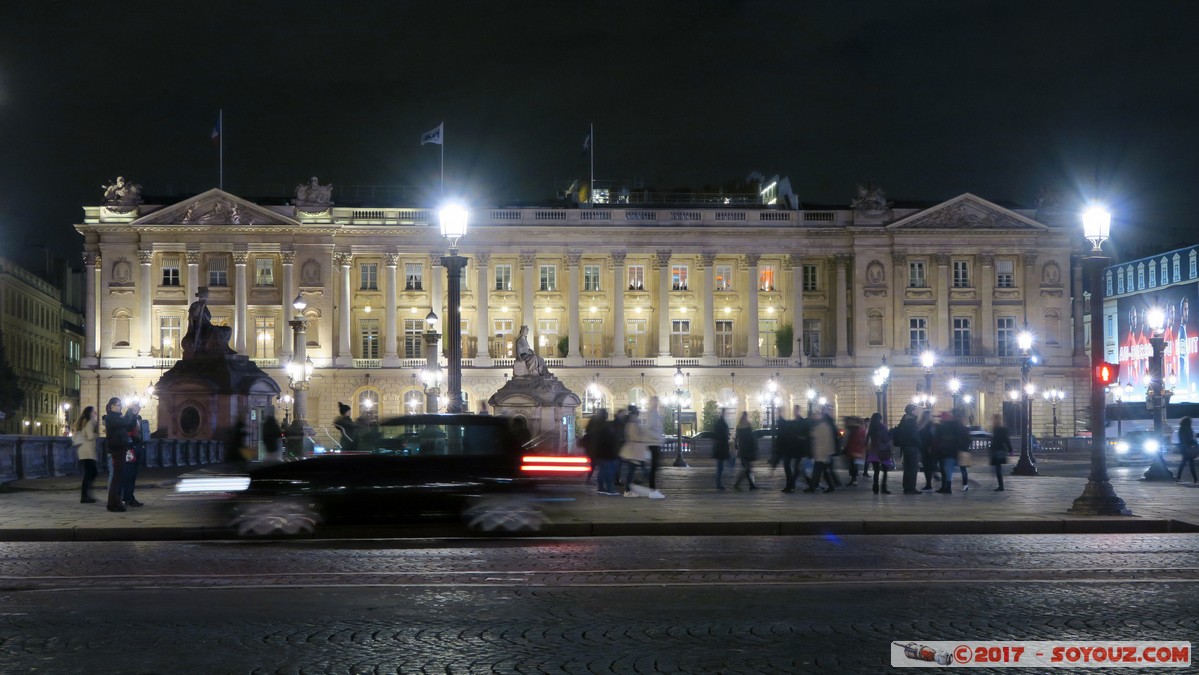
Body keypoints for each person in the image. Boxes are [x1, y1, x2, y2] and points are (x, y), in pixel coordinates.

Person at [102, 397, 140, 513]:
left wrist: (134, 413)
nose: (120, 407)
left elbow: (129, 425)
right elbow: (125, 422)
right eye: (118, 405)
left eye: (120, 405)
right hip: (116, 449)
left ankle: (116, 501)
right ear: (111, 406)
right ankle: (112, 503)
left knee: (119, 477)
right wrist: (130, 410)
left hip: (121, 448)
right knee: (116, 478)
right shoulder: (111, 418)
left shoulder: (117, 417)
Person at [180, 287, 234, 358]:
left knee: (228, 330)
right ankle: (217, 349)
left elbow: (208, 319)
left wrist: (203, 305)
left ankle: (224, 348)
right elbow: (194, 315)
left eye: (206, 295)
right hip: (201, 329)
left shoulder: (205, 307)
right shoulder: (195, 305)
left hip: (208, 326)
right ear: (200, 296)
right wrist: (200, 305)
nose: (206, 297)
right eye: (205, 295)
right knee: (215, 331)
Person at [804, 408, 838, 493]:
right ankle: (829, 486)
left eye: (817, 415)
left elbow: (826, 440)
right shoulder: (820, 425)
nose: (815, 416)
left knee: (818, 471)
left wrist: (825, 452)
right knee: (823, 471)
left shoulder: (823, 426)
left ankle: (813, 487)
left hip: (822, 453)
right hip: (821, 452)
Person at [72, 406, 99, 503]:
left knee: (89, 473)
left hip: (82, 450)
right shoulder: (89, 422)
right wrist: (96, 432)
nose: (95, 413)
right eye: (93, 412)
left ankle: (86, 494)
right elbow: (90, 436)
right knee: (91, 473)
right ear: (90, 413)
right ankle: (85, 496)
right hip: (88, 451)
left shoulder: (82, 422)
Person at [777, 406, 807, 493]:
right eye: (793, 410)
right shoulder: (792, 422)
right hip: (791, 448)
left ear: (798, 411)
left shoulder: (803, 422)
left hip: (799, 449)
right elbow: (784, 428)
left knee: (796, 468)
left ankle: (791, 485)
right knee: (788, 466)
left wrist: (801, 438)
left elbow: (806, 435)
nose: (794, 412)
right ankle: (790, 485)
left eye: (795, 410)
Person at [894, 403, 922, 494]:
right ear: (912, 411)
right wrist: (920, 443)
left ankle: (906, 486)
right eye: (916, 409)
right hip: (912, 447)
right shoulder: (912, 421)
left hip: (905, 447)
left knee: (907, 468)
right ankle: (911, 488)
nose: (918, 411)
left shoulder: (904, 420)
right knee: (913, 468)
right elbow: (914, 436)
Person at [121, 407, 146, 507]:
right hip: (130, 450)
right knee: (129, 475)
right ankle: (128, 497)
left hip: (135, 448)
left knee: (132, 475)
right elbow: (129, 427)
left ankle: (129, 497)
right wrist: (134, 414)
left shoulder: (134, 419)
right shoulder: (129, 419)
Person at [865, 412, 892, 494]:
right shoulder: (882, 427)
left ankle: (875, 488)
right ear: (880, 419)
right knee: (885, 471)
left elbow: (867, 440)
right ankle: (883, 488)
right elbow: (885, 439)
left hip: (874, 452)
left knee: (876, 472)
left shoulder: (871, 428)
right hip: (883, 452)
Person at [732, 411, 758, 490]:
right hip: (746, 449)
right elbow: (752, 438)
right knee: (747, 468)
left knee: (747, 468)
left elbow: (736, 439)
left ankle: (751, 485)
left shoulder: (739, 426)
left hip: (743, 449)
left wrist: (736, 446)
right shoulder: (748, 426)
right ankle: (738, 484)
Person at [645, 397, 665, 491]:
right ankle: (651, 485)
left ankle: (651, 484)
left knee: (655, 465)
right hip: (654, 442)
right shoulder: (653, 412)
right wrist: (658, 434)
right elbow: (650, 426)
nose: (657, 403)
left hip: (655, 441)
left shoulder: (654, 412)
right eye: (655, 401)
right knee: (654, 465)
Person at [989, 413, 1013, 491]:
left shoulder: (996, 429)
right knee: (998, 467)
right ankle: (1000, 484)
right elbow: (1007, 440)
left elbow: (1005, 440)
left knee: (997, 468)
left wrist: (1010, 449)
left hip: (997, 450)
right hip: (1000, 450)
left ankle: (1001, 485)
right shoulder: (1001, 429)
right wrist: (1010, 449)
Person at [842, 416, 866, 487]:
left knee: (853, 465)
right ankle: (853, 480)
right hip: (855, 450)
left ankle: (854, 480)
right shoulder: (859, 429)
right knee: (853, 465)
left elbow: (852, 440)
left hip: (853, 450)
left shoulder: (854, 429)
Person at [918, 409, 937, 490]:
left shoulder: (921, 426)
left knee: (927, 467)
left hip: (925, 449)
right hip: (929, 449)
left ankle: (929, 483)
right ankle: (931, 480)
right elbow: (933, 437)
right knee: (928, 466)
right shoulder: (931, 425)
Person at [712, 409, 731, 490]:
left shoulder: (720, 422)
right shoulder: (721, 423)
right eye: (726, 413)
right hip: (721, 447)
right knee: (721, 467)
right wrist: (726, 435)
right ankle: (719, 483)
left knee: (721, 466)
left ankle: (719, 482)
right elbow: (721, 434)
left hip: (721, 447)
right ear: (723, 413)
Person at [1175, 416, 1198, 483]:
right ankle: (1195, 479)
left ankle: (1179, 477)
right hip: (1188, 448)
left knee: (1184, 463)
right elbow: (1189, 439)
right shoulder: (1188, 429)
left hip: (1184, 448)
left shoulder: (1181, 429)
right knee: (1190, 464)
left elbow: (1182, 439)